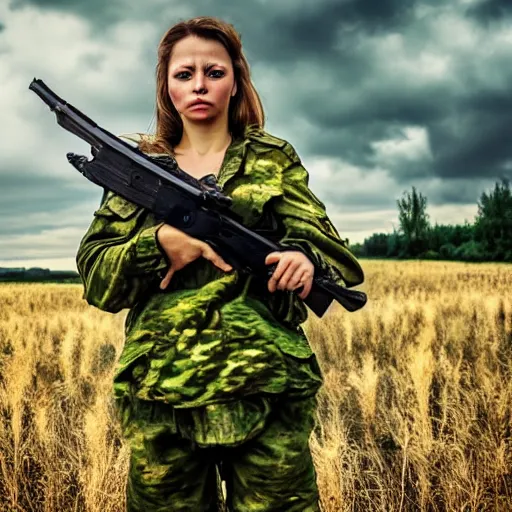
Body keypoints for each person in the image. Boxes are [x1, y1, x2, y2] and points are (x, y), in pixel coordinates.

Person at [76, 16, 364, 512]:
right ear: (166, 88)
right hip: (161, 393)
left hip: (266, 386)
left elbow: (330, 248)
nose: (200, 85)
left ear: (236, 82)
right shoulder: (139, 171)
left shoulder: (272, 159)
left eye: (214, 72)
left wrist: (304, 259)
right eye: (183, 74)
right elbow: (98, 279)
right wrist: (160, 243)